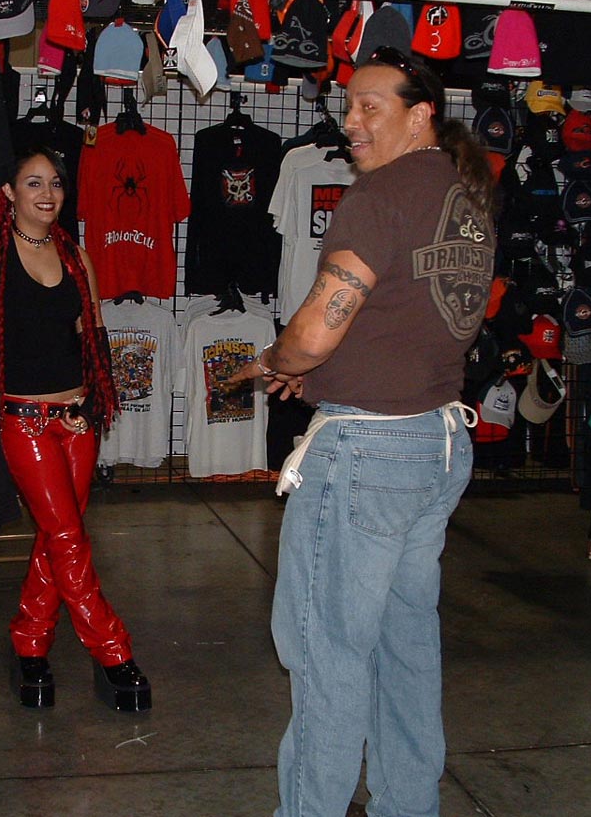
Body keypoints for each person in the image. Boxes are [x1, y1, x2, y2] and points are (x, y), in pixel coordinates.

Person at [230, 48, 497, 816]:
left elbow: (318, 329)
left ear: (420, 116)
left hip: (368, 457)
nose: (351, 121)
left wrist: (278, 360)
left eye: (370, 107)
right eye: (348, 106)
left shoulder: (379, 195)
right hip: (437, 441)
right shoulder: (467, 199)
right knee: (405, 643)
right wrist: (327, 371)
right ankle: (408, 806)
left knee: (327, 651)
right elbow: (414, 320)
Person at [0, 146, 151, 712]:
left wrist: (93, 401)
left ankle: (30, 642)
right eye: (33, 183)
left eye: (55, 183)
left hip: (77, 420)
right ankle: (112, 649)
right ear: (9, 193)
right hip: (23, 421)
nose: (47, 194)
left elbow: (90, 333)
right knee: (68, 536)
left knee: (59, 536)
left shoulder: (76, 255)